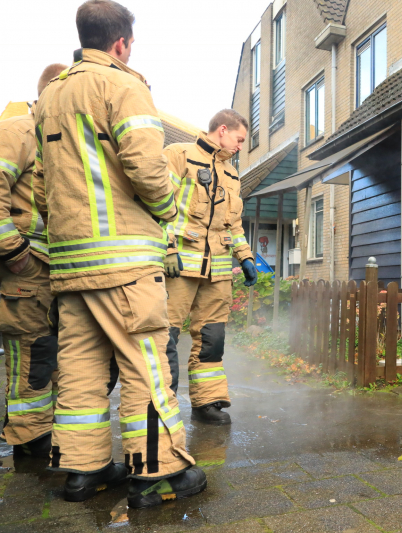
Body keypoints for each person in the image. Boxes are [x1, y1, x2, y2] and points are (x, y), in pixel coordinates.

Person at [33, 0, 205, 508]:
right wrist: (169, 209)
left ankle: (83, 471)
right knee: (145, 364)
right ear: (122, 43)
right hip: (125, 261)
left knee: (80, 366)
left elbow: (42, 185)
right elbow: (147, 168)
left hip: (70, 264)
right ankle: (157, 474)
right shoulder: (124, 85)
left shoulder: (49, 96)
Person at [0, 63, 66, 458]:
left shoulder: (51, 138)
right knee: (31, 352)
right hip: (27, 266)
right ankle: (29, 437)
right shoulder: (17, 132)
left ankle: (34, 429)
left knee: (46, 351)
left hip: (50, 267)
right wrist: (13, 252)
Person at [163, 109, 257, 425]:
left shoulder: (232, 175)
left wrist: (245, 257)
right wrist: (167, 248)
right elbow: (158, 205)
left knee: (212, 338)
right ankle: (162, 403)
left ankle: (207, 402)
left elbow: (234, 224)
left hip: (218, 270)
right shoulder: (179, 155)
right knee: (165, 336)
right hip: (179, 267)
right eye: (239, 139)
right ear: (223, 130)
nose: (241, 146)